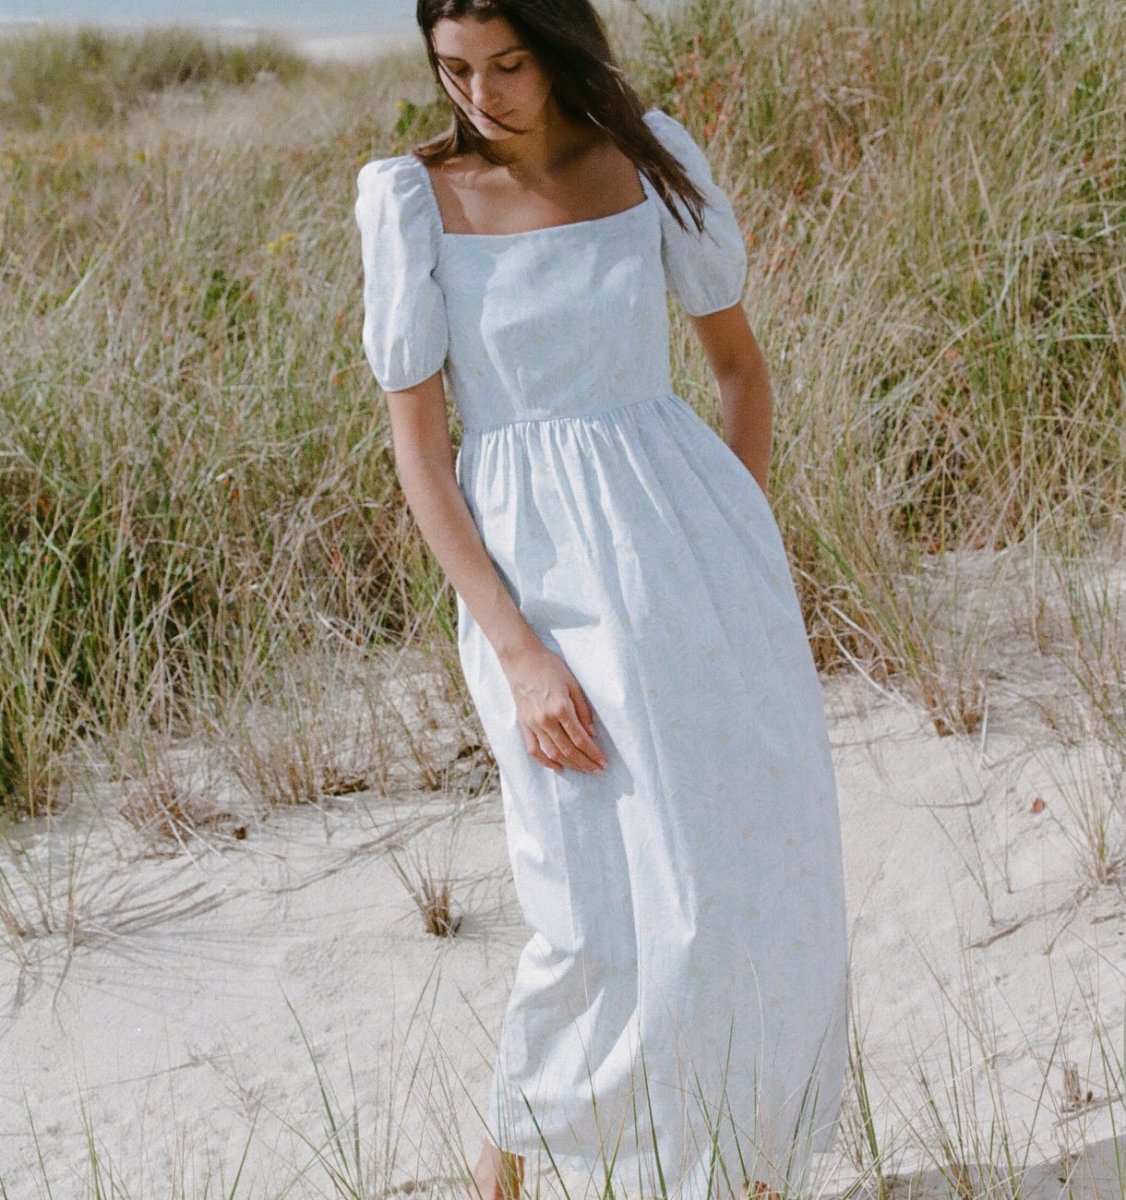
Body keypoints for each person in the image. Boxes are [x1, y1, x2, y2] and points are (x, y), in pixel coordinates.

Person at [353, 1, 850, 1198]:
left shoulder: (645, 156)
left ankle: (750, 1169)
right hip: (535, 580)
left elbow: (737, 367)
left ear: (558, 46)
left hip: (695, 553)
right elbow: (422, 457)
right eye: (455, 68)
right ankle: (503, 1173)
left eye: (510, 64)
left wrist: (732, 537)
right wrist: (514, 647)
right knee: (584, 902)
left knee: (741, 863)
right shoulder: (410, 199)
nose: (481, 93)